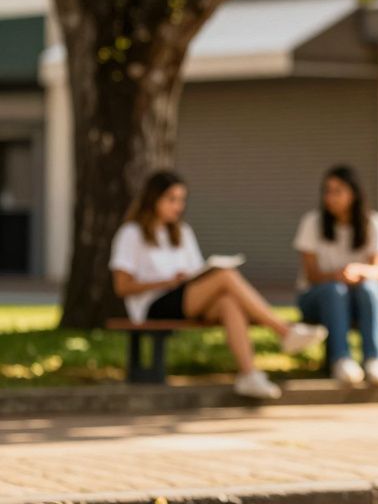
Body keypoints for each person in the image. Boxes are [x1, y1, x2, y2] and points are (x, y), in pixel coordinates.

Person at [110, 170, 326, 399]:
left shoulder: (182, 232)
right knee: (225, 275)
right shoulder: (131, 234)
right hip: (153, 305)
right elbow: (122, 287)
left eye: (182, 200)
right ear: (153, 199)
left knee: (227, 301)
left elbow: (195, 272)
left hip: (185, 297)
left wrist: (189, 277)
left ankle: (249, 374)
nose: (178, 206)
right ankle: (283, 330)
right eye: (172, 199)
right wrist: (167, 281)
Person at [294, 165, 378, 387]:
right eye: (327, 191)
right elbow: (311, 275)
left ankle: (374, 359)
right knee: (334, 290)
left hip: (358, 297)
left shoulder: (373, 223)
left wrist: (359, 271)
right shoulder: (312, 223)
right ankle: (341, 359)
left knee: (371, 288)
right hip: (318, 298)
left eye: (337, 190)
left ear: (354, 193)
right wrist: (336, 276)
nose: (330, 197)